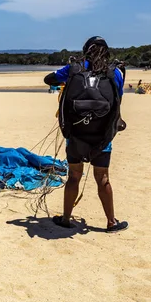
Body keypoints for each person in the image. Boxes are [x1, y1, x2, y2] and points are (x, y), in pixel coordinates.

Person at [43, 36, 128, 233]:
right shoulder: (114, 72)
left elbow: (48, 79)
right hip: (102, 136)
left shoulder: (74, 68)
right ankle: (111, 222)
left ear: (85, 50)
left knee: (74, 176)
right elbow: (118, 100)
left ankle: (65, 219)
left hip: (75, 135)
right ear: (106, 52)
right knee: (103, 177)